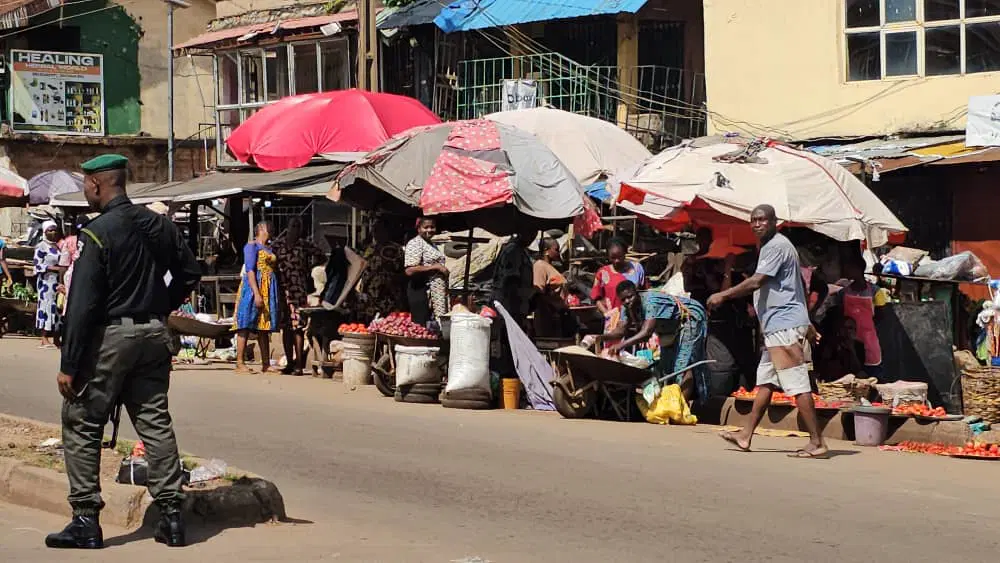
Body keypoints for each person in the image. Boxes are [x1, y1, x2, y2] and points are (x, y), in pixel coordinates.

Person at [48, 154, 200, 549]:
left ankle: (85, 519)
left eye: (86, 185)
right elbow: (190, 272)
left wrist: (70, 365)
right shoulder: (159, 225)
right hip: (154, 335)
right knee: (154, 421)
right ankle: (171, 516)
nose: (86, 192)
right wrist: (159, 305)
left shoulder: (97, 233)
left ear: (98, 184)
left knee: (81, 421)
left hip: (111, 338)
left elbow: (81, 304)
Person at [708, 204, 827, 458]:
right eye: (753, 220)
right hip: (777, 326)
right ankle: (745, 434)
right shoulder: (774, 247)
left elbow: (756, 281)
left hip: (783, 326)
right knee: (766, 383)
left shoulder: (775, 246)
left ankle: (816, 441)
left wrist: (723, 295)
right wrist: (806, 322)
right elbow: (793, 289)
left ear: (775, 222)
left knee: (797, 385)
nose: (757, 224)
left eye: (762, 220)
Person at [610, 281, 709, 403]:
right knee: (666, 366)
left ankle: (679, 408)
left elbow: (646, 332)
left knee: (682, 365)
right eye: (623, 299)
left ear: (636, 292)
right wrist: (600, 337)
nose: (627, 301)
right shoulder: (626, 308)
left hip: (690, 317)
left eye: (629, 297)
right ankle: (671, 402)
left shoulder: (651, 301)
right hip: (670, 327)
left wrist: (621, 345)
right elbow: (621, 330)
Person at [272, 217, 326, 375]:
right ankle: (289, 362)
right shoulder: (278, 244)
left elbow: (321, 255)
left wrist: (308, 268)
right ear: (288, 227)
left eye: (298, 226)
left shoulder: (304, 245)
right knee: (286, 328)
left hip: (298, 290)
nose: (295, 229)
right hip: (283, 290)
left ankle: (299, 365)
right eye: (293, 225)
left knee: (298, 327)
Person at [491, 225, 538, 378]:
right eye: (530, 233)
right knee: (508, 342)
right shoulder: (513, 251)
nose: (531, 238)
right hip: (509, 305)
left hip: (516, 306)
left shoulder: (521, 251)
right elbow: (510, 281)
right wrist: (514, 310)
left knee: (512, 342)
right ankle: (507, 377)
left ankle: (511, 374)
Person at [234, 221, 280, 374]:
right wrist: (256, 292)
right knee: (245, 324)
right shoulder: (251, 246)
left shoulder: (270, 248)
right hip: (254, 288)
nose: (271, 230)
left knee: (263, 327)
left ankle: (266, 363)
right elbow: (250, 270)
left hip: (268, 288)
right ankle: (240, 362)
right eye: (268, 227)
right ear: (260, 229)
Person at [591, 237, 647, 351]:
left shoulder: (637, 268)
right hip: (614, 322)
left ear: (625, 253)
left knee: (636, 353)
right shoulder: (603, 273)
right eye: (613, 257)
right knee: (613, 353)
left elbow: (644, 292)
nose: (616, 260)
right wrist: (607, 314)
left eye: (619, 257)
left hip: (636, 320)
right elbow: (596, 298)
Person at [837, 251, 887, 379]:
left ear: (859, 269)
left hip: (869, 341)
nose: (846, 271)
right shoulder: (843, 292)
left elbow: (881, 316)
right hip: (849, 342)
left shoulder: (876, 292)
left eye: (849, 268)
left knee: (873, 377)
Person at [358, 218, 407, 323]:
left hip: (388, 293)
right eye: (374, 230)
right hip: (370, 292)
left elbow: (401, 269)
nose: (376, 233)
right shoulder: (370, 248)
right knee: (371, 321)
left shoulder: (395, 248)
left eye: (379, 230)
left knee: (389, 321)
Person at [404, 217, 448, 327]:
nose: (429, 230)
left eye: (432, 227)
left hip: (435, 292)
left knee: (434, 328)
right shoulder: (415, 243)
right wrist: (435, 267)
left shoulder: (431, 243)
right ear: (418, 229)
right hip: (421, 291)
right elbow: (409, 270)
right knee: (422, 327)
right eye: (426, 227)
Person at [532, 237, 574, 337]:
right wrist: (550, 307)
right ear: (546, 251)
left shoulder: (550, 266)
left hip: (558, 314)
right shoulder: (540, 265)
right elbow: (538, 291)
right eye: (556, 250)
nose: (558, 253)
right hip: (547, 316)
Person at [34, 220, 63, 349]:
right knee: (46, 307)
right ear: (45, 232)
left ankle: (56, 338)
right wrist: (54, 268)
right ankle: (44, 337)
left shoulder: (58, 246)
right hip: (46, 282)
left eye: (54, 230)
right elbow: (37, 265)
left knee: (58, 308)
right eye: (50, 230)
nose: (53, 232)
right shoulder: (41, 246)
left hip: (58, 282)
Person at [57, 218, 82, 315]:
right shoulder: (90, 239)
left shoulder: (69, 241)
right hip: (84, 276)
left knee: (69, 304)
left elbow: (63, 264)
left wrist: (61, 283)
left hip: (71, 276)